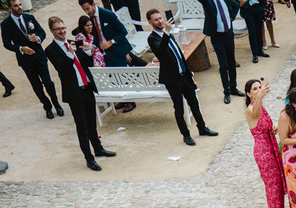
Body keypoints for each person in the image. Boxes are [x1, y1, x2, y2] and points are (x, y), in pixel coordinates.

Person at [45, 16, 115, 170]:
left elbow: (86, 64)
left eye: (63, 28)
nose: (62, 31)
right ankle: (89, 158)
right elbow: (63, 69)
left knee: (92, 123)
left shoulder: (73, 42)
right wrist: (70, 54)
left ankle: (98, 149)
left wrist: (89, 51)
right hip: (74, 92)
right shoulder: (51, 50)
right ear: (51, 31)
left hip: (87, 87)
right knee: (82, 128)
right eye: (58, 29)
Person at [146, 9, 218, 146]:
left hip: (183, 75)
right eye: (156, 20)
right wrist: (167, 33)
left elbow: (178, 54)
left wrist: (188, 72)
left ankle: (202, 127)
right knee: (179, 108)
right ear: (150, 22)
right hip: (172, 80)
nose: (160, 21)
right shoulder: (152, 38)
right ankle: (186, 135)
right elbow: (161, 52)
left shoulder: (169, 35)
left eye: (160, 18)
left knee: (194, 103)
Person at [0, 0, 60, 118]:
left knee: (48, 82)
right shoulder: (6, 24)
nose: (19, 7)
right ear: (9, 8)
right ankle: (47, 107)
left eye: (20, 5)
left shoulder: (29, 18)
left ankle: (57, 104)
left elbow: (42, 32)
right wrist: (21, 48)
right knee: (36, 86)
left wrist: (38, 38)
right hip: (25, 61)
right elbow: (6, 44)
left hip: (39, 56)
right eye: (16, 6)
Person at [243, 78, 289, 208]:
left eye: (259, 87)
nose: (258, 91)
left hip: (271, 146)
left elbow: (262, 125)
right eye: (255, 89)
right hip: (263, 151)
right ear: (248, 94)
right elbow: (255, 114)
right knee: (272, 182)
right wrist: (260, 96)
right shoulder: (251, 109)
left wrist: (273, 128)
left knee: (277, 180)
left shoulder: (260, 106)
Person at [198, 0, 243, 103]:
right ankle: (226, 91)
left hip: (228, 34)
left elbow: (236, 5)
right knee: (223, 65)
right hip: (217, 36)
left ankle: (233, 87)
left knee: (231, 61)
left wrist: (231, 17)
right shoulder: (208, 2)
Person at [78, 0, 131, 67]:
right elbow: (97, 33)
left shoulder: (108, 14)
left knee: (121, 72)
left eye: (87, 9)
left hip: (118, 52)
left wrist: (111, 42)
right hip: (105, 53)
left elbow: (123, 31)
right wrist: (94, 45)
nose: (86, 12)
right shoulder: (92, 17)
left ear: (93, 5)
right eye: (84, 10)